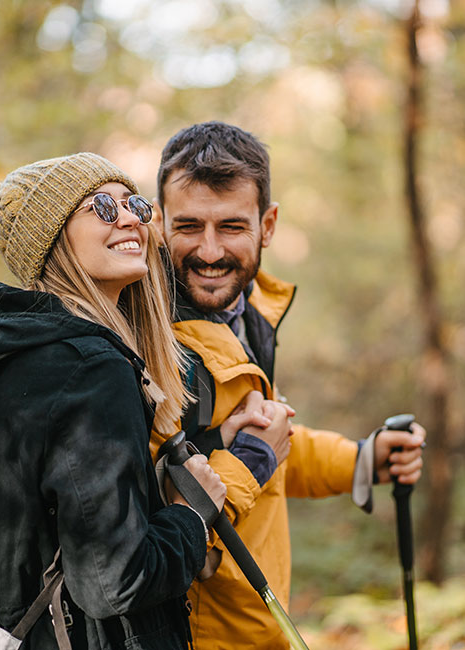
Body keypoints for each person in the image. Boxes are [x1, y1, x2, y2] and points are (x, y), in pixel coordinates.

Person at [0, 152, 226, 650]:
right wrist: (190, 514)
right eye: (99, 206)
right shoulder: (89, 370)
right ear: (51, 241)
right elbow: (115, 581)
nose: (129, 219)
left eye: (134, 203)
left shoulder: (5, 353)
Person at [152, 122, 427, 649]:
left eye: (231, 226)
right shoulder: (152, 338)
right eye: (188, 226)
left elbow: (271, 446)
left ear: (268, 224)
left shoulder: (248, 317)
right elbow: (149, 515)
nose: (209, 251)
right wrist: (250, 456)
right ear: (160, 223)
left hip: (258, 628)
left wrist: (363, 459)